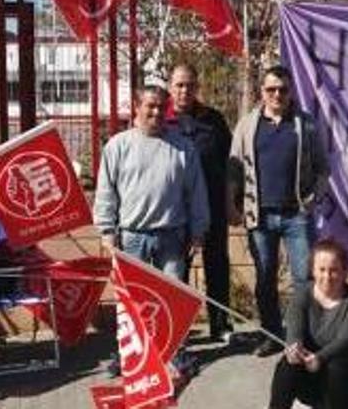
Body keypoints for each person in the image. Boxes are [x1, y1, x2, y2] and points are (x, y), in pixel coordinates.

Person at [94, 84, 210, 376]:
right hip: (132, 237)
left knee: (173, 300)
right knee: (132, 302)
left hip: (173, 236)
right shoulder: (118, 146)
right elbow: (106, 193)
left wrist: (198, 230)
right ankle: (129, 356)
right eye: (150, 106)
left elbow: (196, 193)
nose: (156, 112)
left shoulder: (183, 147)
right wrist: (107, 232)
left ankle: (175, 354)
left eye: (161, 107)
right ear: (136, 106)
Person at [229, 65, 329, 357]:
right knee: (264, 278)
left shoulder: (306, 125)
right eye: (271, 89)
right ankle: (272, 334)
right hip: (258, 216)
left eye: (283, 89)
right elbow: (234, 169)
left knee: (304, 278)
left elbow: (324, 170)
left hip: (296, 216)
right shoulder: (247, 125)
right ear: (262, 91)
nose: (277, 95)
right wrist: (230, 205)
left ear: (290, 91)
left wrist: (314, 198)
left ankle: (302, 337)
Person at [165, 63, 234, 341]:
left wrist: (232, 201)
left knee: (217, 264)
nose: (185, 91)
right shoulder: (162, 120)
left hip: (213, 206)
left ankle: (220, 324)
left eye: (190, 85)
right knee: (177, 269)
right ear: (171, 87)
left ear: (197, 88)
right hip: (178, 209)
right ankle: (178, 328)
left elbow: (230, 162)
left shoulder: (213, 120)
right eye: (179, 85)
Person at [268, 238, 348, 409]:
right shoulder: (301, 294)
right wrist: (295, 349)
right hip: (308, 370)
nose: (327, 276)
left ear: (345, 272)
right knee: (287, 365)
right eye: (321, 269)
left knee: (337, 365)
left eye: (334, 270)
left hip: (343, 376)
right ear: (313, 271)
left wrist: (320, 358)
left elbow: (347, 339)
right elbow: (295, 330)